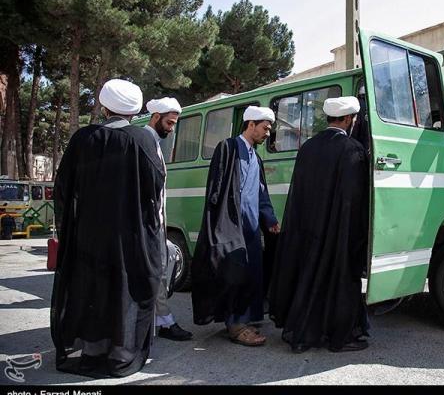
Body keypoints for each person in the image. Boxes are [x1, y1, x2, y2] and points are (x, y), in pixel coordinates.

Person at [51, 79, 165, 378]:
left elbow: (63, 188)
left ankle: (91, 352)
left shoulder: (82, 138)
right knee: (124, 294)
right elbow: (155, 188)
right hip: (130, 238)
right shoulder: (143, 139)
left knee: (92, 292)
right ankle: (120, 355)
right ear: (134, 111)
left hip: (89, 236)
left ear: (104, 108)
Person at [269, 96, 370, 354]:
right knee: (338, 280)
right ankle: (339, 335)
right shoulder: (352, 149)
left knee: (309, 278)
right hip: (336, 231)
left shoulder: (308, 147)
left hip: (307, 231)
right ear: (348, 120)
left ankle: (306, 330)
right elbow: (354, 200)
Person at [191, 106, 280, 347]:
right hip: (230, 226)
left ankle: (245, 317)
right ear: (251, 124)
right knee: (233, 273)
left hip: (251, 229)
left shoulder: (256, 157)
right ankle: (236, 325)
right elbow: (217, 189)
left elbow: (261, 193)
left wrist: (270, 219)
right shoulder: (228, 148)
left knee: (251, 274)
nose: (267, 134)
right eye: (264, 128)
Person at [144, 97, 193, 341]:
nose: (171, 129)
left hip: (157, 223)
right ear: (155, 118)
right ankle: (164, 321)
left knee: (164, 268)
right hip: (147, 224)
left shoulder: (154, 143)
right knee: (157, 272)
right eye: (169, 123)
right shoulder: (144, 142)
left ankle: (159, 319)